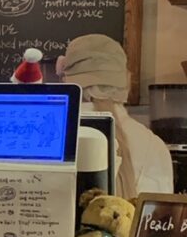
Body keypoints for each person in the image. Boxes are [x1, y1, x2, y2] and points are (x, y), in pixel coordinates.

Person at [56, 34, 173, 198]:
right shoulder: (154, 146)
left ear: (65, 81)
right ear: (127, 80)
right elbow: (158, 217)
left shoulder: (49, 137)